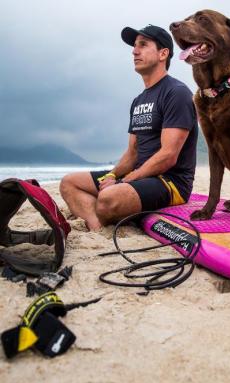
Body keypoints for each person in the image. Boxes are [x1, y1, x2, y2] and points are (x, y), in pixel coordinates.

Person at [60, 25, 198, 230]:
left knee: (108, 198)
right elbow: (132, 152)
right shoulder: (138, 101)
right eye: (134, 46)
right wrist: (113, 175)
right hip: (140, 175)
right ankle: (97, 225)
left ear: (163, 53)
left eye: (143, 45)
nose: (134, 51)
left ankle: (106, 212)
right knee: (69, 183)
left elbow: (169, 155)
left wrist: (126, 181)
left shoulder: (176, 93)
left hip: (170, 182)